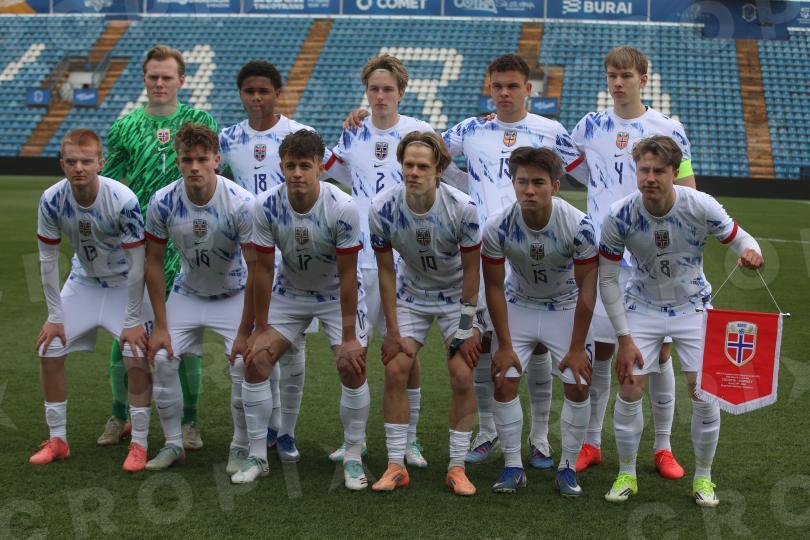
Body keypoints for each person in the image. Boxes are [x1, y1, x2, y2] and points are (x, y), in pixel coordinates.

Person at [599, 135, 763, 507]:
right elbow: (607, 278)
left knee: (703, 391)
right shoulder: (620, 214)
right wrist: (623, 337)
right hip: (642, 308)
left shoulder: (700, 205)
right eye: (643, 170)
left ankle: (703, 477)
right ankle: (626, 473)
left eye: (659, 171)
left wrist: (752, 253)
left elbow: (742, 239)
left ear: (675, 172)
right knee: (630, 387)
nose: (650, 178)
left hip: (693, 308)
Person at [441, 54, 588, 468]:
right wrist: (464, 184)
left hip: (535, 249)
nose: (504, 93)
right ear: (489, 88)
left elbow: (587, 173)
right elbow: (431, 151)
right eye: (497, 86)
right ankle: (489, 430)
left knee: (537, 346)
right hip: (485, 247)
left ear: (528, 89)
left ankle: (539, 436)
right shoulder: (471, 129)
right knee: (486, 344)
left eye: (512, 86)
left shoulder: (550, 130)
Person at [570, 46, 696, 477]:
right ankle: (591, 442)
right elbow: (578, 169)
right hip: (602, 255)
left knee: (659, 354)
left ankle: (663, 447)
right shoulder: (590, 126)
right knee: (600, 351)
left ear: (643, 79)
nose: (617, 83)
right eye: (612, 75)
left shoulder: (668, 128)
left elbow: (687, 190)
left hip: (652, 260)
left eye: (625, 75)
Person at [100, 44, 217, 450]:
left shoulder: (200, 121)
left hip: (186, 245)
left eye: (168, 77)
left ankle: (190, 421)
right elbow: (109, 186)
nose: (160, 83)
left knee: (185, 339)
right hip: (138, 245)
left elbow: (217, 177)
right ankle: (120, 415)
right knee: (127, 332)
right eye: (154, 76)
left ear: (182, 80)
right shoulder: (125, 126)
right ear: (144, 79)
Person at [324, 54, 433, 467]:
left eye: (388, 89)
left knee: (405, 350)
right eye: (374, 89)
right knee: (354, 349)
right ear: (366, 92)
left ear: (401, 92)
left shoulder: (420, 133)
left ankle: (411, 440)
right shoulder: (353, 132)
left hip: (406, 260)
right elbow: (339, 173)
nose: (381, 96)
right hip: (360, 257)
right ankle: (354, 440)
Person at [245, 129, 370, 489]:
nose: (297, 173)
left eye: (305, 165)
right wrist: (260, 327)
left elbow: (348, 275)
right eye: (290, 166)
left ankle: (353, 455)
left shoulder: (342, 207)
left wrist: (349, 337)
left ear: (319, 167)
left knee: (351, 366)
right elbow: (263, 269)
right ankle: (257, 455)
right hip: (291, 293)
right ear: (281, 167)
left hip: (335, 295)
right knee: (256, 361)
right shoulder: (265, 205)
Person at [368, 131, 482, 496]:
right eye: (408, 165)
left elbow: (473, 272)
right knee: (395, 369)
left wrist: (465, 327)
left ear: (439, 170)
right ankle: (395, 465)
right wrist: (392, 330)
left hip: (456, 298)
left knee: (462, 374)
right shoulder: (382, 207)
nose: (413, 172)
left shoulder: (462, 208)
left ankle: (457, 467)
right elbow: (386, 271)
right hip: (411, 295)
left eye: (422, 166)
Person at [31, 129, 151, 472]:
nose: (79, 168)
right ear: (62, 164)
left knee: (136, 354)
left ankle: (140, 443)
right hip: (83, 282)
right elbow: (47, 259)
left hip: (123, 285)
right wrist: (55, 315)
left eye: (86, 161)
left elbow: (138, 264)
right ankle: (58, 440)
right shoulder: (51, 199)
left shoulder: (122, 199)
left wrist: (132, 320)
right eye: (71, 162)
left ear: (101, 162)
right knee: (49, 348)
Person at [482, 147, 597, 496]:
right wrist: (504, 344)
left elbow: (587, 289)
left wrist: (577, 348)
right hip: (519, 303)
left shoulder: (578, 226)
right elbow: (493, 286)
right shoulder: (497, 225)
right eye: (522, 182)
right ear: (513, 184)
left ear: (555, 186)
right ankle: (513, 466)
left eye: (538, 183)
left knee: (579, 382)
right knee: (503, 379)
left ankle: (567, 468)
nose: (529, 190)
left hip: (565, 306)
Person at [219, 59, 318, 462]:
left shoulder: (299, 135)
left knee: (292, 346)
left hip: (293, 253)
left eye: (264, 91)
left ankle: (288, 431)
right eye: (249, 91)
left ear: (277, 93)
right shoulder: (227, 139)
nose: (256, 98)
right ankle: (270, 425)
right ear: (241, 95)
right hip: (249, 255)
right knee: (259, 341)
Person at [142, 123, 254, 473]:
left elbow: (258, 269)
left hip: (234, 294)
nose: (194, 167)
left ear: (216, 160)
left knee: (242, 364)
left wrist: (247, 328)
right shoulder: (162, 201)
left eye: (202, 159)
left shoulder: (241, 203)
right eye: (187, 159)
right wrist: (160, 326)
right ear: (177, 161)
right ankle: (173, 444)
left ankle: (240, 446)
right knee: (162, 358)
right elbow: (153, 262)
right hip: (188, 293)